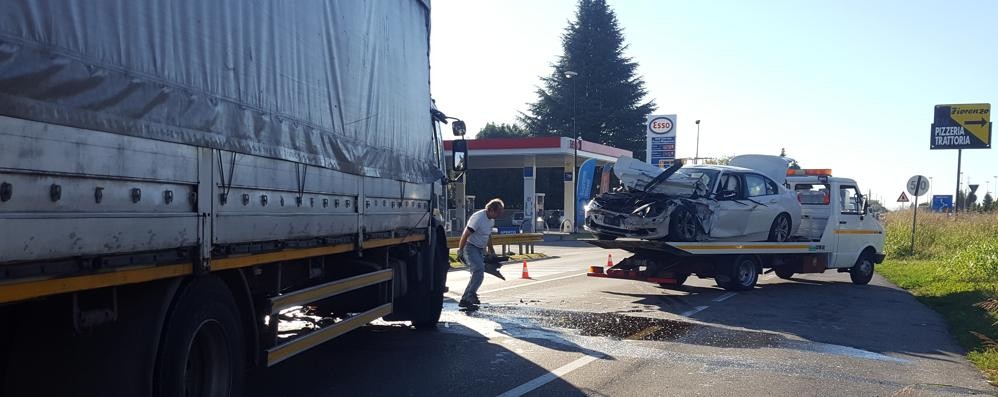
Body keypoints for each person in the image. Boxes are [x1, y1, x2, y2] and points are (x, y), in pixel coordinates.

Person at [457, 198, 504, 309]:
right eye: (498, 212)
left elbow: (487, 235)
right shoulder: (478, 218)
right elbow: (465, 234)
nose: (500, 215)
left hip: (480, 249)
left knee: (477, 273)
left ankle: (465, 298)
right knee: (478, 270)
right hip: (470, 247)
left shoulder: (491, 220)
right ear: (491, 209)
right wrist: (460, 250)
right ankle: (470, 296)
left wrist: (491, 251)